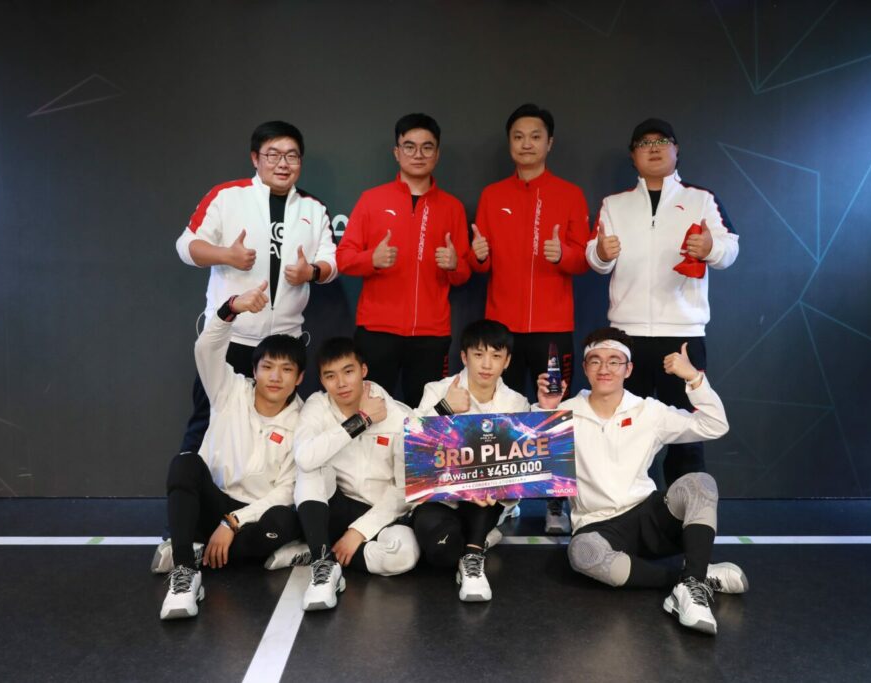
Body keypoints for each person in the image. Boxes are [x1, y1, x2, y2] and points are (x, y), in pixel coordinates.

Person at [537, 327, 747, 635]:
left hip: (649, 516)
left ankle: (692, 583)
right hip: (597, 525)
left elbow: (715, 426)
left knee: (700, 483)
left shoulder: (648, 411)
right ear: (585, 368)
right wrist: (545, 411)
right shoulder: (564, 413)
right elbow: (521, 457)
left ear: (628, 369)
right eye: (595, 361)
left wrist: (693, 378)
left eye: (614, 361)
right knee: (582, 554)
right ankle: (692, 579)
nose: (604, 368)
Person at [586, 118, 739, 487]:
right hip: (627, 337)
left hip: (682, 336)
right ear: (633, 155)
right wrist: (601, 253)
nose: (653, 148)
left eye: (661, 141)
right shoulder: (614, 204)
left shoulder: (701, 199)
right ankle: (623, 505)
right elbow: (595, 258)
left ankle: (687, 511)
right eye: (644, 143)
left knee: (687, 434)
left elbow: (730, 249)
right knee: (624, 430)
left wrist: (711, 247)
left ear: (676, 149)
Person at [175, 120, 337, 453]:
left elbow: (331, 262)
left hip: (284, 343)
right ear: (255, 158)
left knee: (278, 432)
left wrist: (311, 272)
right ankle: (191, 481)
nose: (283, 164)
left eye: (291, 156)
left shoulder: (313, 207)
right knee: (209, 424)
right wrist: (227, 255)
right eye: (273, 155)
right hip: (231, 338)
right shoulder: (227, 196)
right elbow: (186, 246)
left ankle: (266, 490)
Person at [469, 103, 590, 533]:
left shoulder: (570, 194)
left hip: (553, 327)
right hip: (502, 327)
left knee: (553, 414)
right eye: (518, 136)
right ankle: (505, 499)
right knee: (502, 414)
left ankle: (556, 503)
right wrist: (477, 256)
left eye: (535, 136)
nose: (526, 144)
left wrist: (565, 254)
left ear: (549, 143)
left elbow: (585, 259)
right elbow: (479, 263)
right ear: (509, 143)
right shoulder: (492, 195)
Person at [153, 281, 304, 620]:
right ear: (254, 370)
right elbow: (206, 349)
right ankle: (185, 572)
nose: (275, 377)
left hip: (253, 517)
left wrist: (234, 521)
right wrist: (231, 308)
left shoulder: (304, 420)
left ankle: (198, 549)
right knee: (185, 464)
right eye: (267, 367)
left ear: (299, 378)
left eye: (286, 370)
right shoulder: (228, 390)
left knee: (283, 521)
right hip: (214, 502)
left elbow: (286, 491)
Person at [268, 337, 419, 611]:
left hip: (378, 514)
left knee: (405, 554)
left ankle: (318, 550)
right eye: (330, 376)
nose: (341, 383)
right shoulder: (318, 405)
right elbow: (305, 457)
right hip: (333, 507)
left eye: (348, 372)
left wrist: (359, 531)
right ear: (322, 381)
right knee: (311, 466)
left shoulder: (398, 416)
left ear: (363, 370)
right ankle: (324, 564)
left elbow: (404, 490)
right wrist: (361, 421)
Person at [336, 113, 471, 408]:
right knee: (370, 412)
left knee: (426, 415)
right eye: (409, 146)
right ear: (397, 152)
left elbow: (463, 274)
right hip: (377, 330)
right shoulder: (372, 200)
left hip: (431, 334)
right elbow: (344, 259)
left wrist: (454, 264)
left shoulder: (452, 207)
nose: (418, 154)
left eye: (427, 147)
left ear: (437, 153)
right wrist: (372, 258)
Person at [413, 319, 530, 602]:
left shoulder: (516, 403)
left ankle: (474, 556)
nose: (487, 364)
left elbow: (521, 467)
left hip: (486, 500)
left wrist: (493, 485)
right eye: (478, 354)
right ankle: (482, 539)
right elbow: (413, 446)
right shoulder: (437, 390)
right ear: (464, 357)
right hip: (440, 497)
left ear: (507, 361)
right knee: (442, 552)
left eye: (496, 356)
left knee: (484, 486)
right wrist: (445, 408)